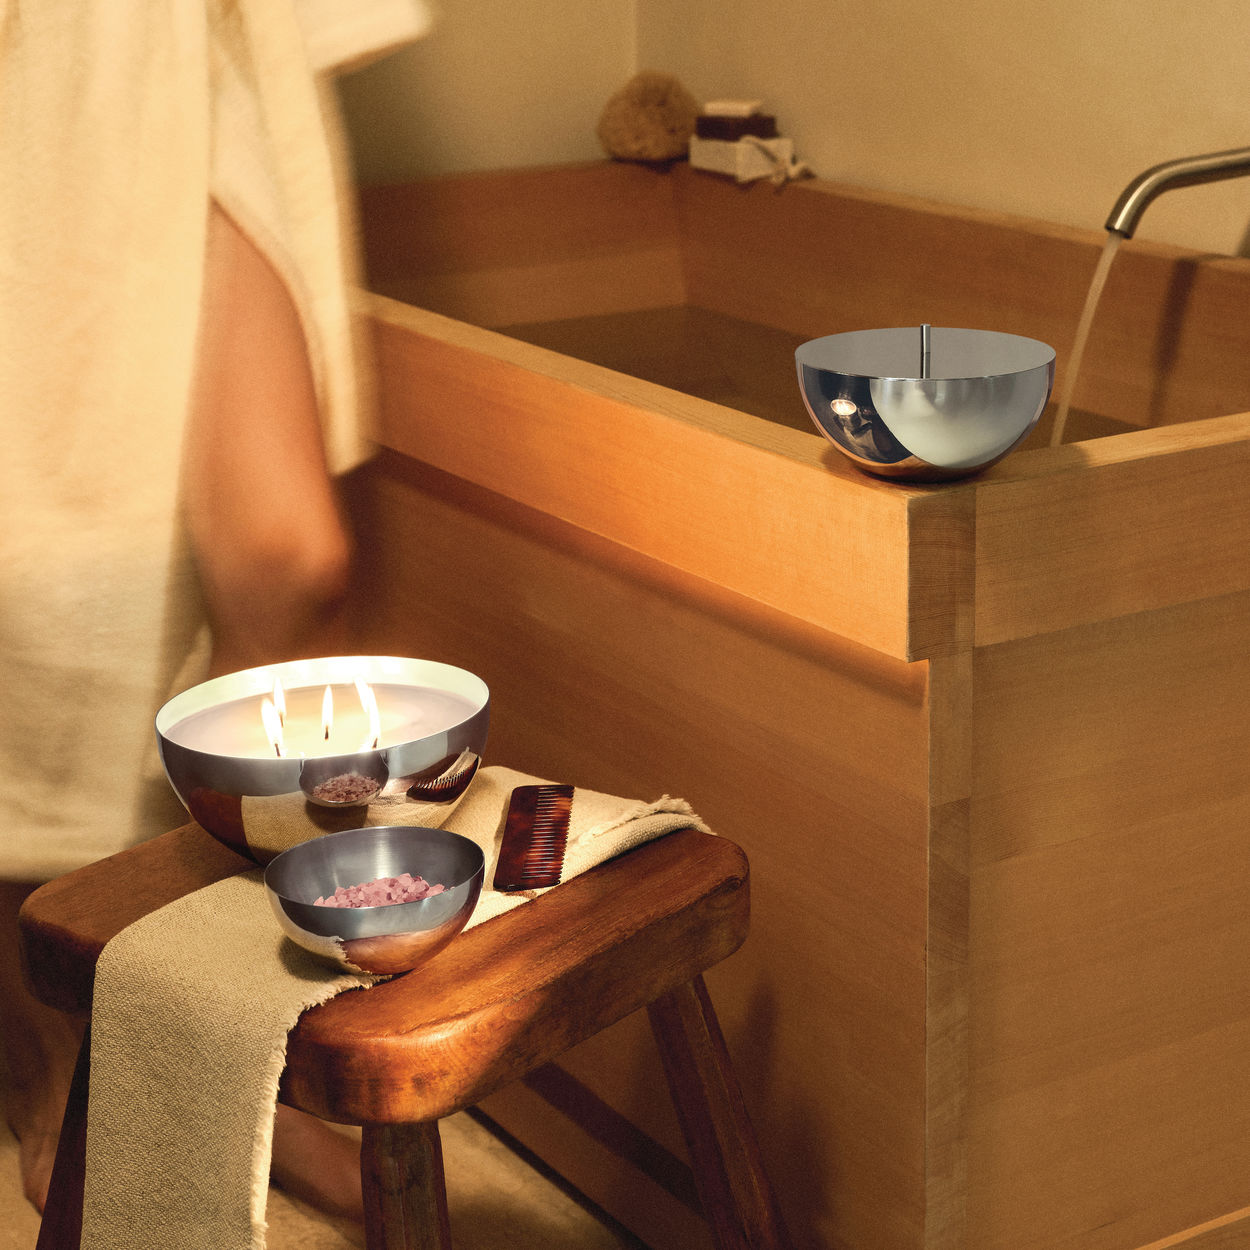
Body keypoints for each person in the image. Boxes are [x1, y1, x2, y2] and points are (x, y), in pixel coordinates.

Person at [0, 0, 431, 1219]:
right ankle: (52, 1048)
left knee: (288, 559)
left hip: (178, 33)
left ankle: (242, 1042)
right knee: (35, 587)